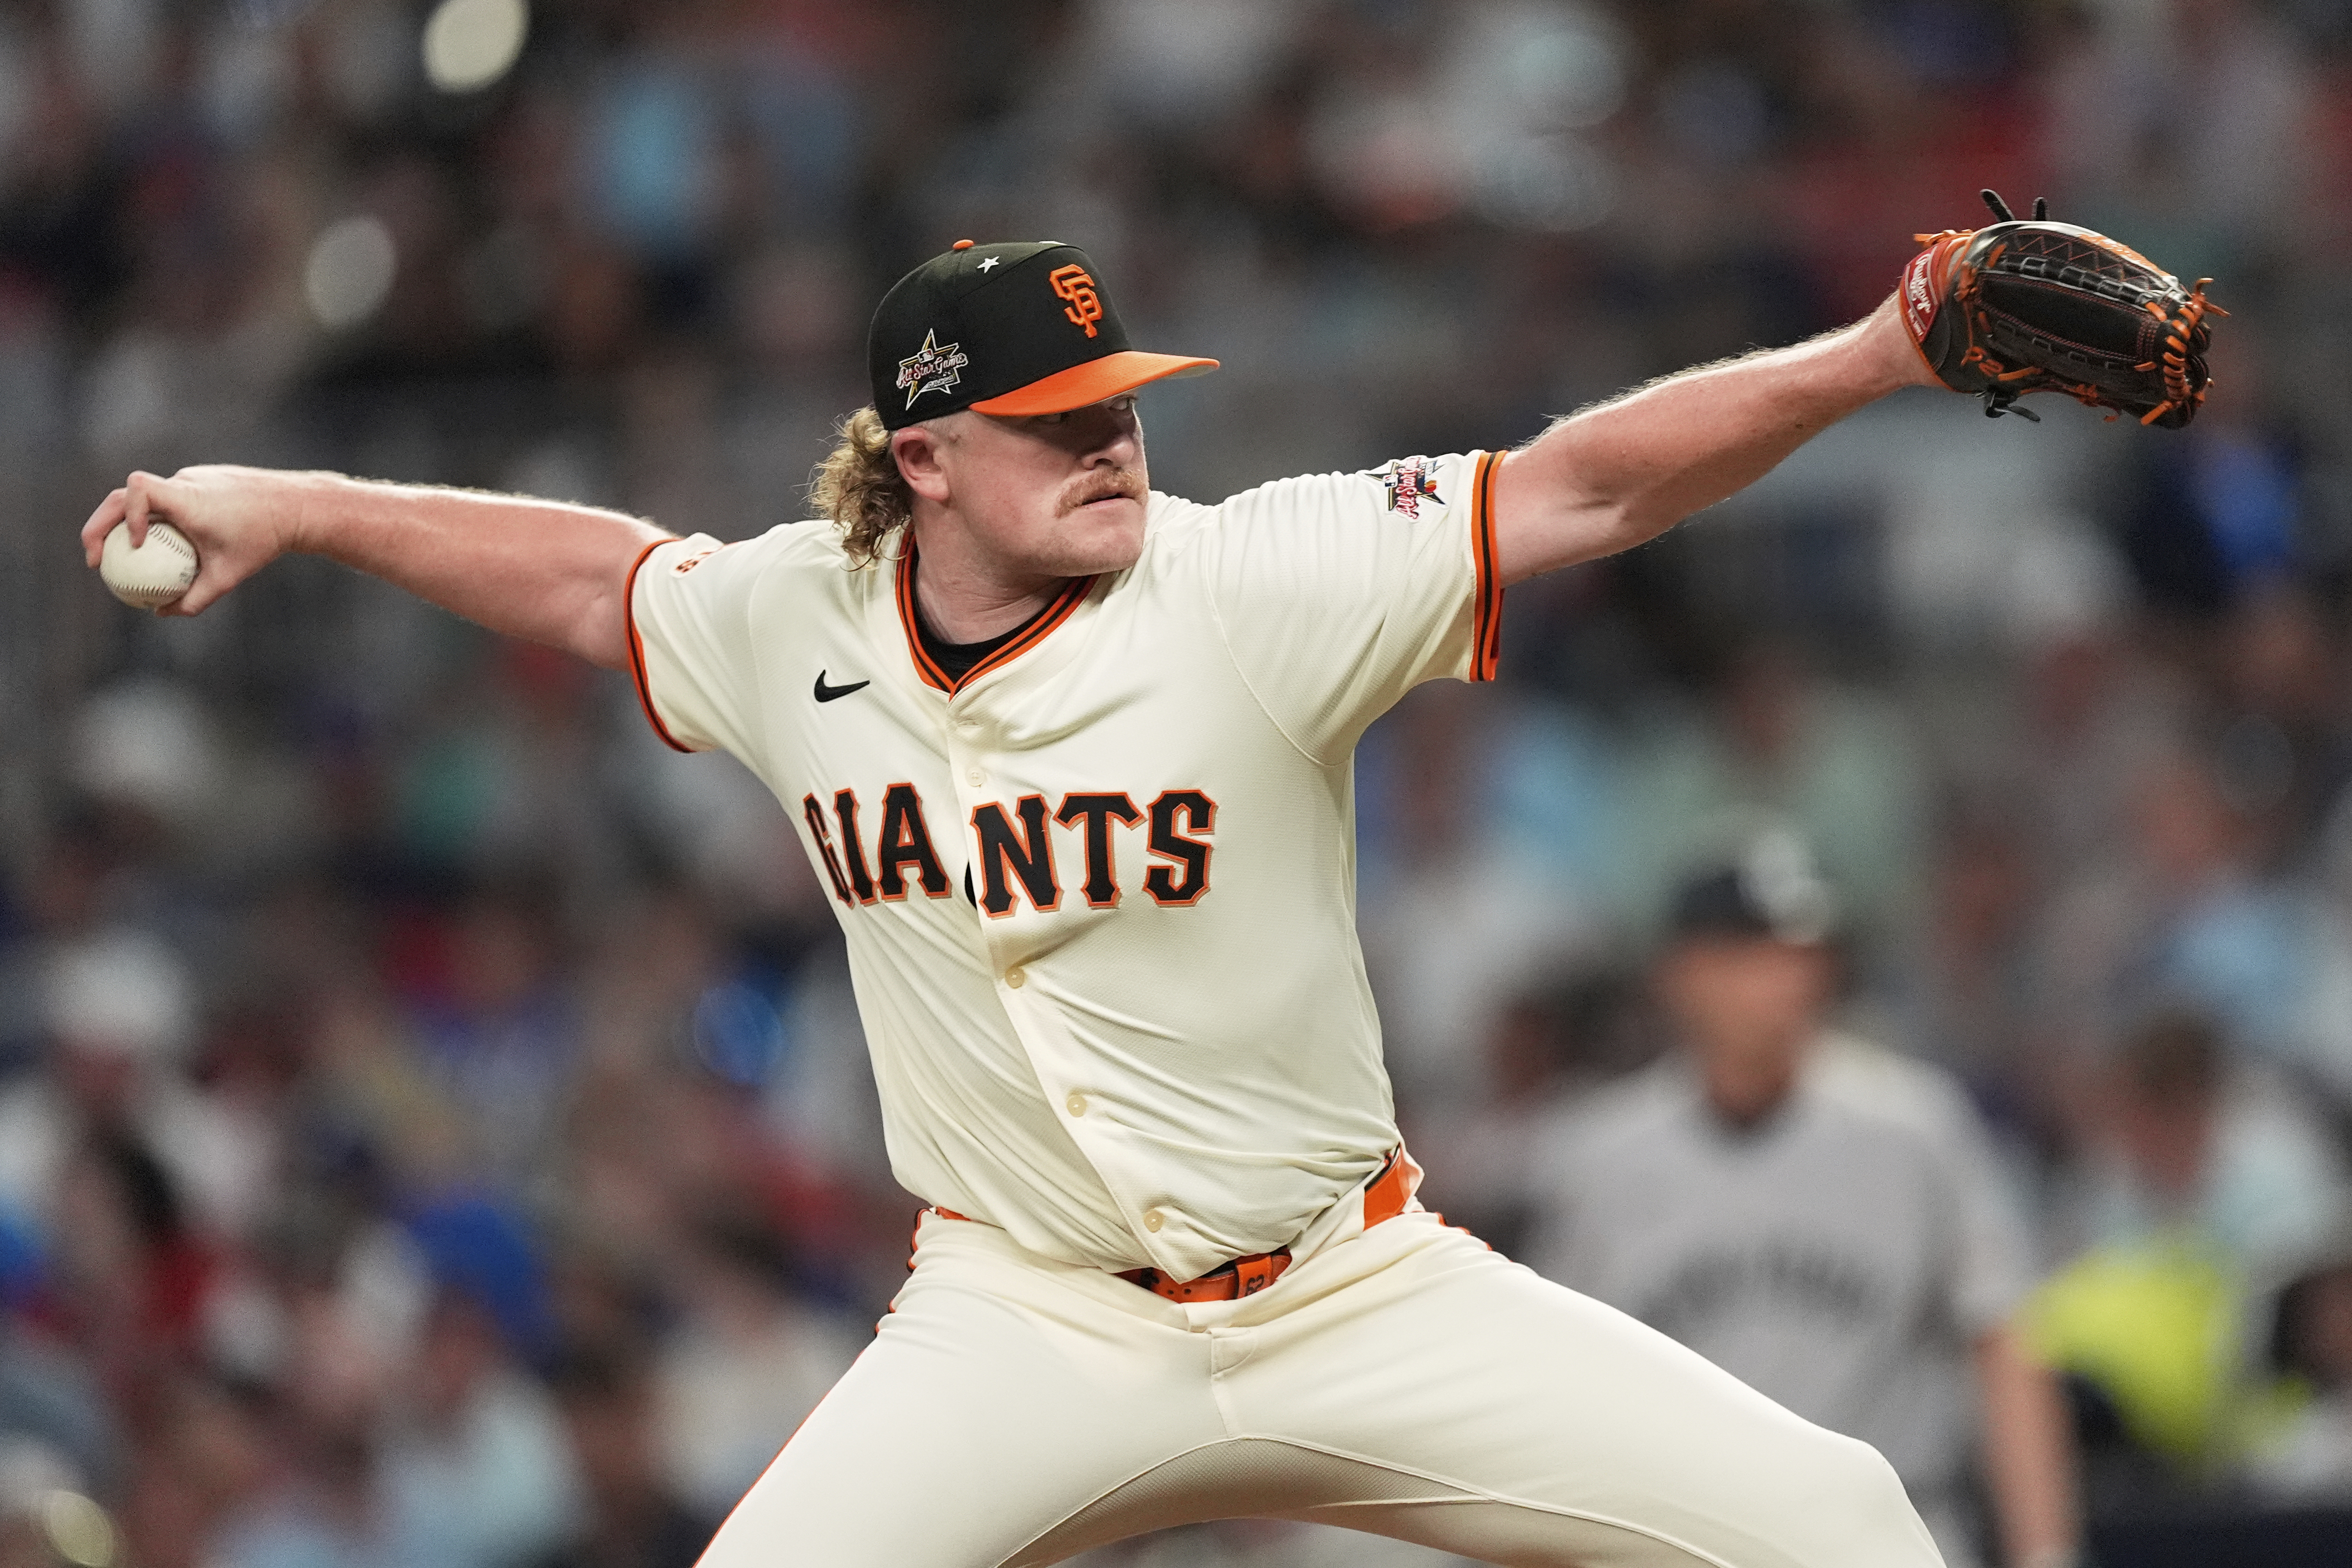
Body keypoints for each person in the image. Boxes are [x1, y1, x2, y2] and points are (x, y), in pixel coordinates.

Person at [87, 234, 1972, 1567]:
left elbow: (1577, 492)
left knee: (1842, 1527)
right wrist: (296, 503)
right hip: (1024, 1318)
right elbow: (600, 585)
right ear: (923, 461)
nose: (1113, 444)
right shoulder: (796, 621)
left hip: (1350, 1285)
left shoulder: (1252, 581)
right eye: (1057, 420)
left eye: (1120, 403)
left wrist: (1879, 353)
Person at [1525, 833, 2081, 1568]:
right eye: (1750, 954)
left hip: (1890, 1537)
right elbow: (1558, 1390)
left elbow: (2004, 1341)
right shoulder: (1600, 1163)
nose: (1782, 983)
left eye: (1801, 954)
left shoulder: (1913, 1126)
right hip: (1685, 1546)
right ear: (1681, 973)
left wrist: (2046, 1555)